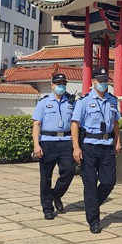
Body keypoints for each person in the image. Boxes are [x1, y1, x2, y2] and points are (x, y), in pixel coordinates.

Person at [71, 67, 121, 234]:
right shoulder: (84, 101)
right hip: (90, 146)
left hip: (107, 146)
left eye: (105, 81)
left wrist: (118, 141)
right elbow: (75, 124)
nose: (103, 84)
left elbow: (115, 123)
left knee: (109, 181)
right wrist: (76, 147)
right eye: (100, 81)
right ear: (93, 82)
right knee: (90, 184)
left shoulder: (112, 100)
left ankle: (91, 205)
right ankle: (94, 220)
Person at [32, 73, 78, 220]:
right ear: (52, 86)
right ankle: (47, 208)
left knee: (69, 172)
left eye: (63, 84)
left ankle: (55, 194)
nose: (61, 86)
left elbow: (76, 123)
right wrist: (36, 145)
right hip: (47, 142)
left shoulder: (71, 102)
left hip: (66, 141)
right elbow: (36, 124)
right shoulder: (44, 102)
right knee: (46, 177)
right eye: (58, 84)